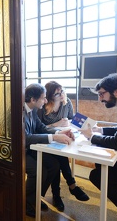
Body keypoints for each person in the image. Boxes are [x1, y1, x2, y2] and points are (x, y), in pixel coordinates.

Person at [24, 83, 75, 218]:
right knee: (38, 171)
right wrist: (54, 137)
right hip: (19, 151)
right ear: (33, 100)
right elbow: (26, 138)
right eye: (43, 98)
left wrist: (60, 132)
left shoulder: (33, 109)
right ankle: (24, 200)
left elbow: (42, 128)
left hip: (31, 148)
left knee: (54, 165)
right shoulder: (20, 113)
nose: (46, 101)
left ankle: (34, 197)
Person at [37, 81, 89, 212]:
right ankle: (69, 187)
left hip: (61, 138)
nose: (61, 95)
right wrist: (57, 124)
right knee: (59, 159)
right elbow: (38, 128)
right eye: (57, 93)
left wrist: (86, 126)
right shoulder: (42, 106)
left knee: (59, 159)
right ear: (48, 96)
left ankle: (59, 194)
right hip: (45, 141)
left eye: (62, 91)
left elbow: (73, 121)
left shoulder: (67, 103)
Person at [80, 73, 117, 210]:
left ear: (116, 91)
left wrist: (91, 137)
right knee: (100, 166)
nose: (100, 99)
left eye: (102, 94)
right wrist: (101, 130)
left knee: (97, 175)